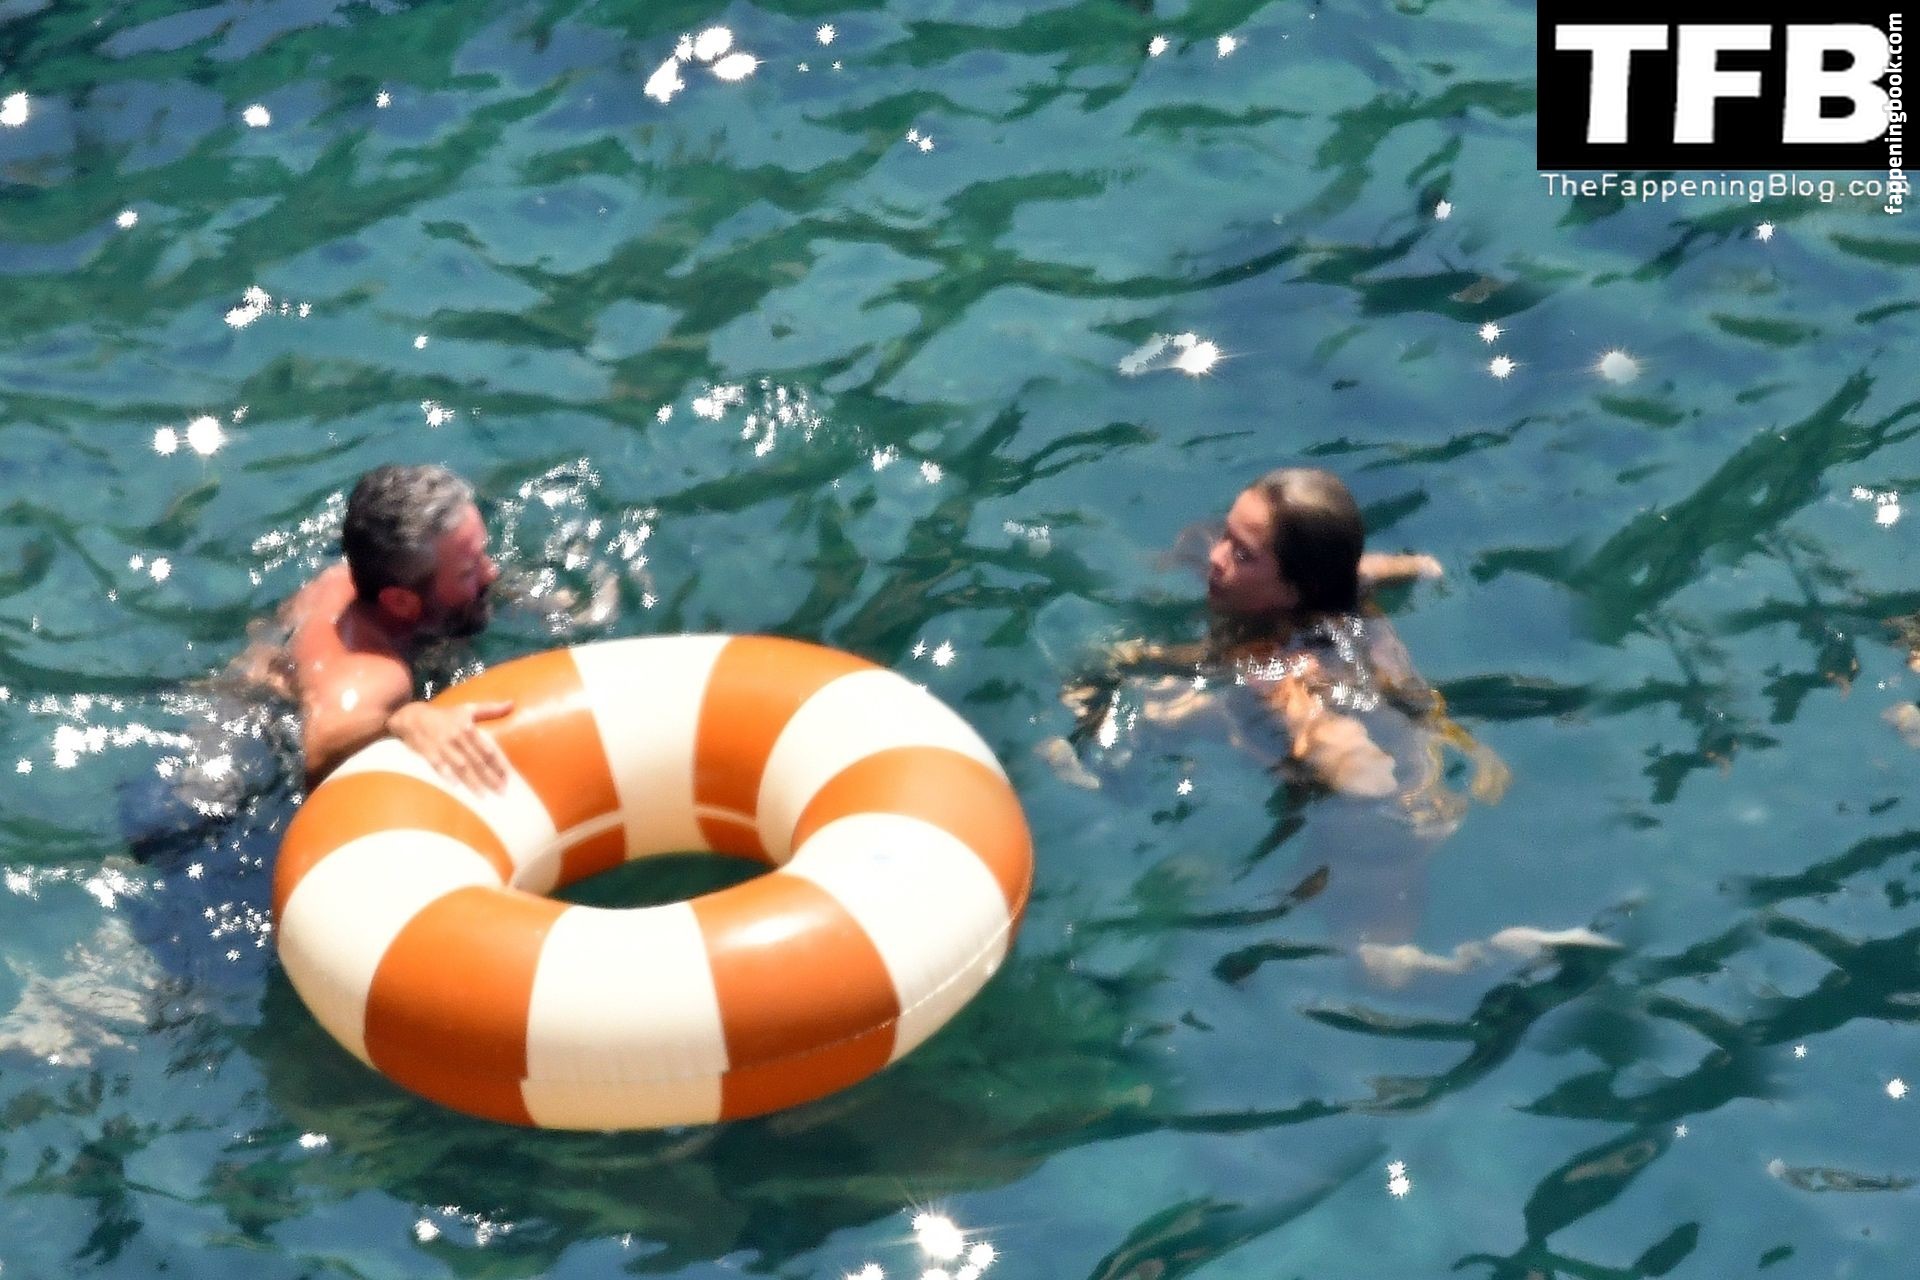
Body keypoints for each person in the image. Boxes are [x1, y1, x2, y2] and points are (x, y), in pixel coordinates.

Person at [244, 463, 512, 791]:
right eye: (468, 572)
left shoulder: (337, 578)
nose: (492, 572)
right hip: (244, 760)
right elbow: (321, 746)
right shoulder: (376, 674)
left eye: (482, 554)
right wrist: (404, 719)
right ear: (400, 602)